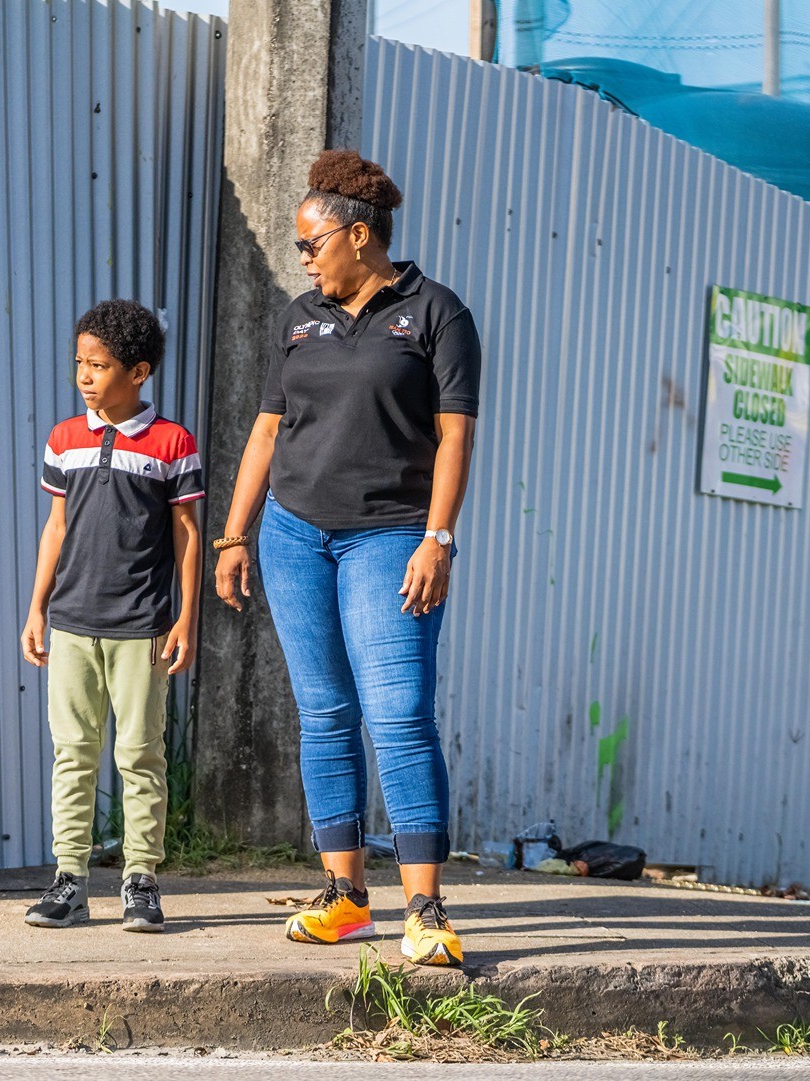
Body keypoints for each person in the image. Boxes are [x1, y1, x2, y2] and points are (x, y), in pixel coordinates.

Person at [214, 149, 481, 965]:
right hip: (295, 535)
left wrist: (437, 537)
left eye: (311, 242)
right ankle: (346, 897)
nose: (302, 257)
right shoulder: (299, 318)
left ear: (358, 236)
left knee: (398, 715)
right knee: (326, 714)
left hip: (390, 537)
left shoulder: (436, 313)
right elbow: (268, 429)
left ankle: (425, 907)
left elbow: (455, 436)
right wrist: (235, 534)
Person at [20, 299, 204, 932]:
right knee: (72, 752)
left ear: (139, 372)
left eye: (98, 365)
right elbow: (56, 527)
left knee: (140, 753)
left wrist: (185, 618)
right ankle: (69, 880)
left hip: (142, 625)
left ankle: (140, 880)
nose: (84, 376)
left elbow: (187, 533)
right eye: (80, 362)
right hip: (71, 622)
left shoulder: (172, 443)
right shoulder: (64, 438)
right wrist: (37, 608)